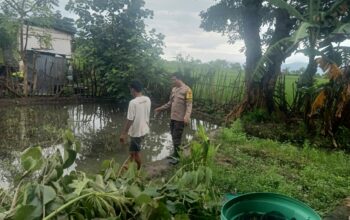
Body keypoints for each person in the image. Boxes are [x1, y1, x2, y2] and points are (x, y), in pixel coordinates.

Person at [155, 73, 193, 163]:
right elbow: (170, 103)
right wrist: (160, 108)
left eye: (173, 80)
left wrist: (187, 116)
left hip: (180, 119)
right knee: (173, 136)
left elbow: (189, 105)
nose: (172, 82)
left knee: (177, 137)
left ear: (179, 79)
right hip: (173, 117)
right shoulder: (174, 89)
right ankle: (175, 154)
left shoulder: (187, 90)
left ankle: (178, 158)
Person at [120, 80, 151, 169]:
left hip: (136, 132)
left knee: (135, 153)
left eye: (130, 89)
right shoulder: (147, 99)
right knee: (133, 151)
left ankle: (138, 170)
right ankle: (130, 167)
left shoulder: (133, 102)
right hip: (144, 130)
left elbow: (130, 119)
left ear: (133, 90)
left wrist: (123, 133)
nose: (130, 91)